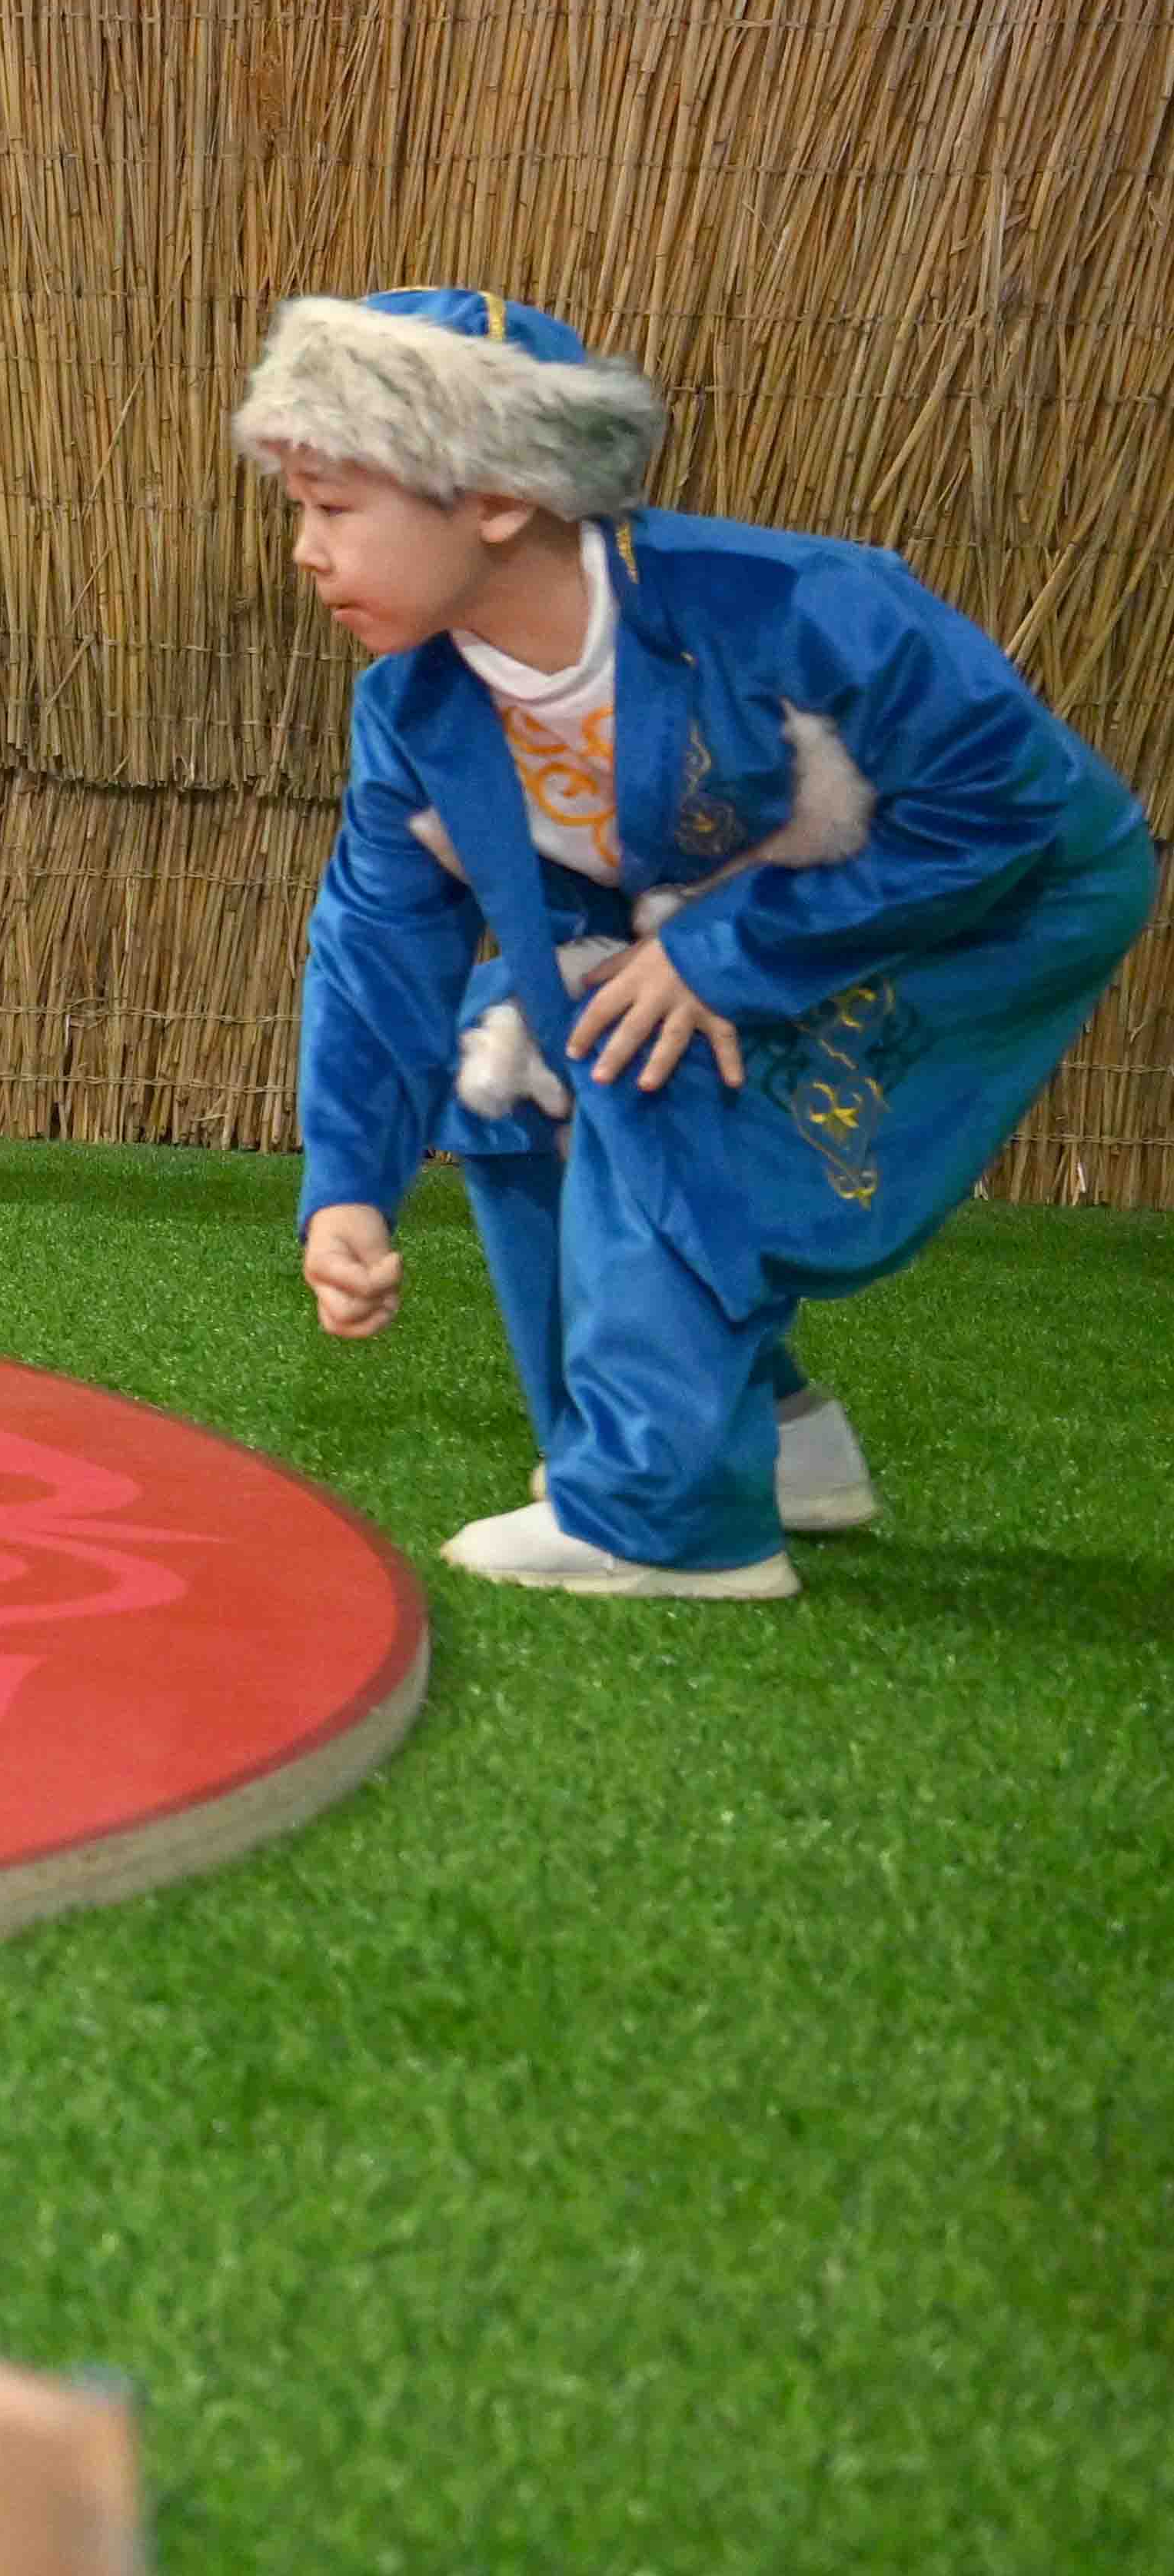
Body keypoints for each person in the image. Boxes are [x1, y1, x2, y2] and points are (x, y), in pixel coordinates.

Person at [245, 288, 1156, 1600]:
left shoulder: (798, 605)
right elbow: (378, 940)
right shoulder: (414, 707)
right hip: (731, 906)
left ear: (497, 493)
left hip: (1001, 899)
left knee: (639, 1057)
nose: (305, 551)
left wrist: (720, 954)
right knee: (513, 1059)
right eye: (297, 508)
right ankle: (762, 1443)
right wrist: (346, 1185)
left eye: (334, 507)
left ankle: (666, 1520)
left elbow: (997, 810)